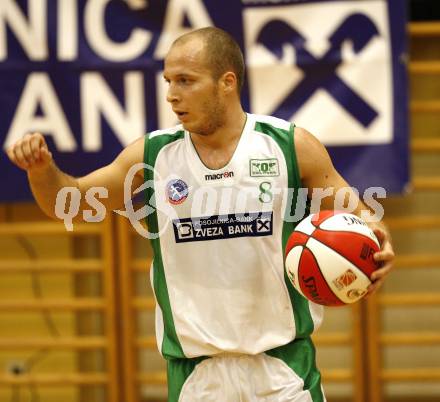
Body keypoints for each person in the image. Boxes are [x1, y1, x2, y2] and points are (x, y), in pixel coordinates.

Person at [7, 27, 394, 402]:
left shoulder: (291, 146)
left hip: (285, 372)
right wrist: (42, 171)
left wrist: (377, 242)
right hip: (197, 378)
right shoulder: (151, 158)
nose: (172, 96)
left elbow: (359, 217)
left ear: (227, 82)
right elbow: (66, 202)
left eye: (185, 81)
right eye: (168, 82)